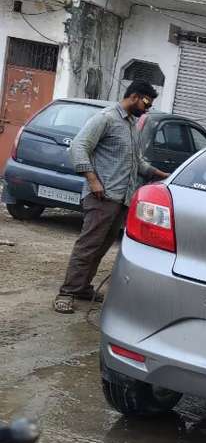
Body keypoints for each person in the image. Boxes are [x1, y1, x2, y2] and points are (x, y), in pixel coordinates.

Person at [53, 80, 168, 314]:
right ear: (135, 96)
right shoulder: (105, 118)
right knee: (88, 246)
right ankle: (66, 293)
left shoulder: (131, 125)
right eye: (146, 102)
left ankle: (83, 287)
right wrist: (93, 180)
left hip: (121, 198)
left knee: (102, 246)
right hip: (102, 197)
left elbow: (136, 161)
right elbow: (78, 147)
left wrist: (160, 175)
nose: (147, 108)